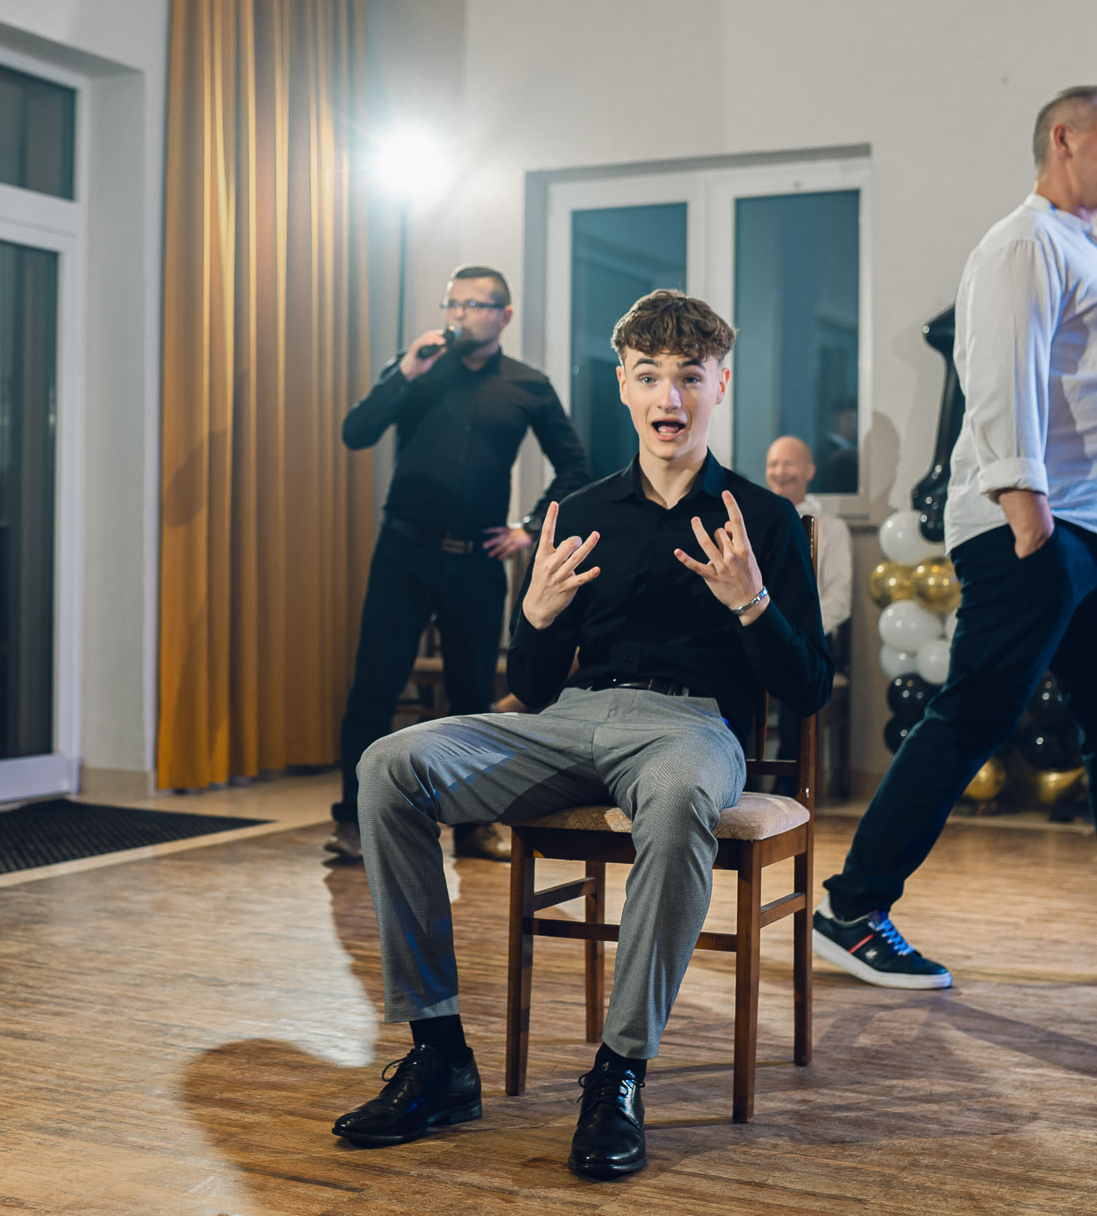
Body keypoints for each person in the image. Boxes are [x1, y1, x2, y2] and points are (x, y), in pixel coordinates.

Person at [334, 290, 832, 1179]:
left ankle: (619, 1072)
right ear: (624, 386)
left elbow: (808, 687)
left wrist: (753, 603)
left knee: (678, 797)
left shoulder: (763, 520)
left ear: (720, 385)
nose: (669, 398)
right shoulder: (585, 509)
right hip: (569, 719)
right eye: (650, 377)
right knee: (389, 764)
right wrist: (533, 617)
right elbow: (531, 686)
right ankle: (440, 1054)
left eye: (689, 377)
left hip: (690, 726)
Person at [814, 85, 1097, 991]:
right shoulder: (1024, 242)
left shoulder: (1085, 247)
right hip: (1040, 526)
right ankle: (853, 908)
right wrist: (1025, 503)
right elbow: (1001, 371)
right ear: (1064, 139)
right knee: (977, 713)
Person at [328, 265, 590, 864]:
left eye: (474, 304)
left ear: (504, 316)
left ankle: (473, 826)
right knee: (374, 687)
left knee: (473, 696)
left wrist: (528, 528)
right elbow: (356, 432)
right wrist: (404, 373)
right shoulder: (416, 369)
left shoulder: (528, 385)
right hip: (403, 552)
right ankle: (353, 822)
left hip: (475, 561)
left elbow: (575, 467)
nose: (459, 315)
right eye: (453, 303)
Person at [764, 434, 851, 765]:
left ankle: (791, 786)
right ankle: (739, 781)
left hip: (808, 638)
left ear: (810, 470)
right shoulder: (754, 523)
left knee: (799, 673)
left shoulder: (832, 528)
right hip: (759, 634)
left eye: (789, 464)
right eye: (773, 464)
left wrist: (794, 632)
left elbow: (839, 599)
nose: (780, 472)